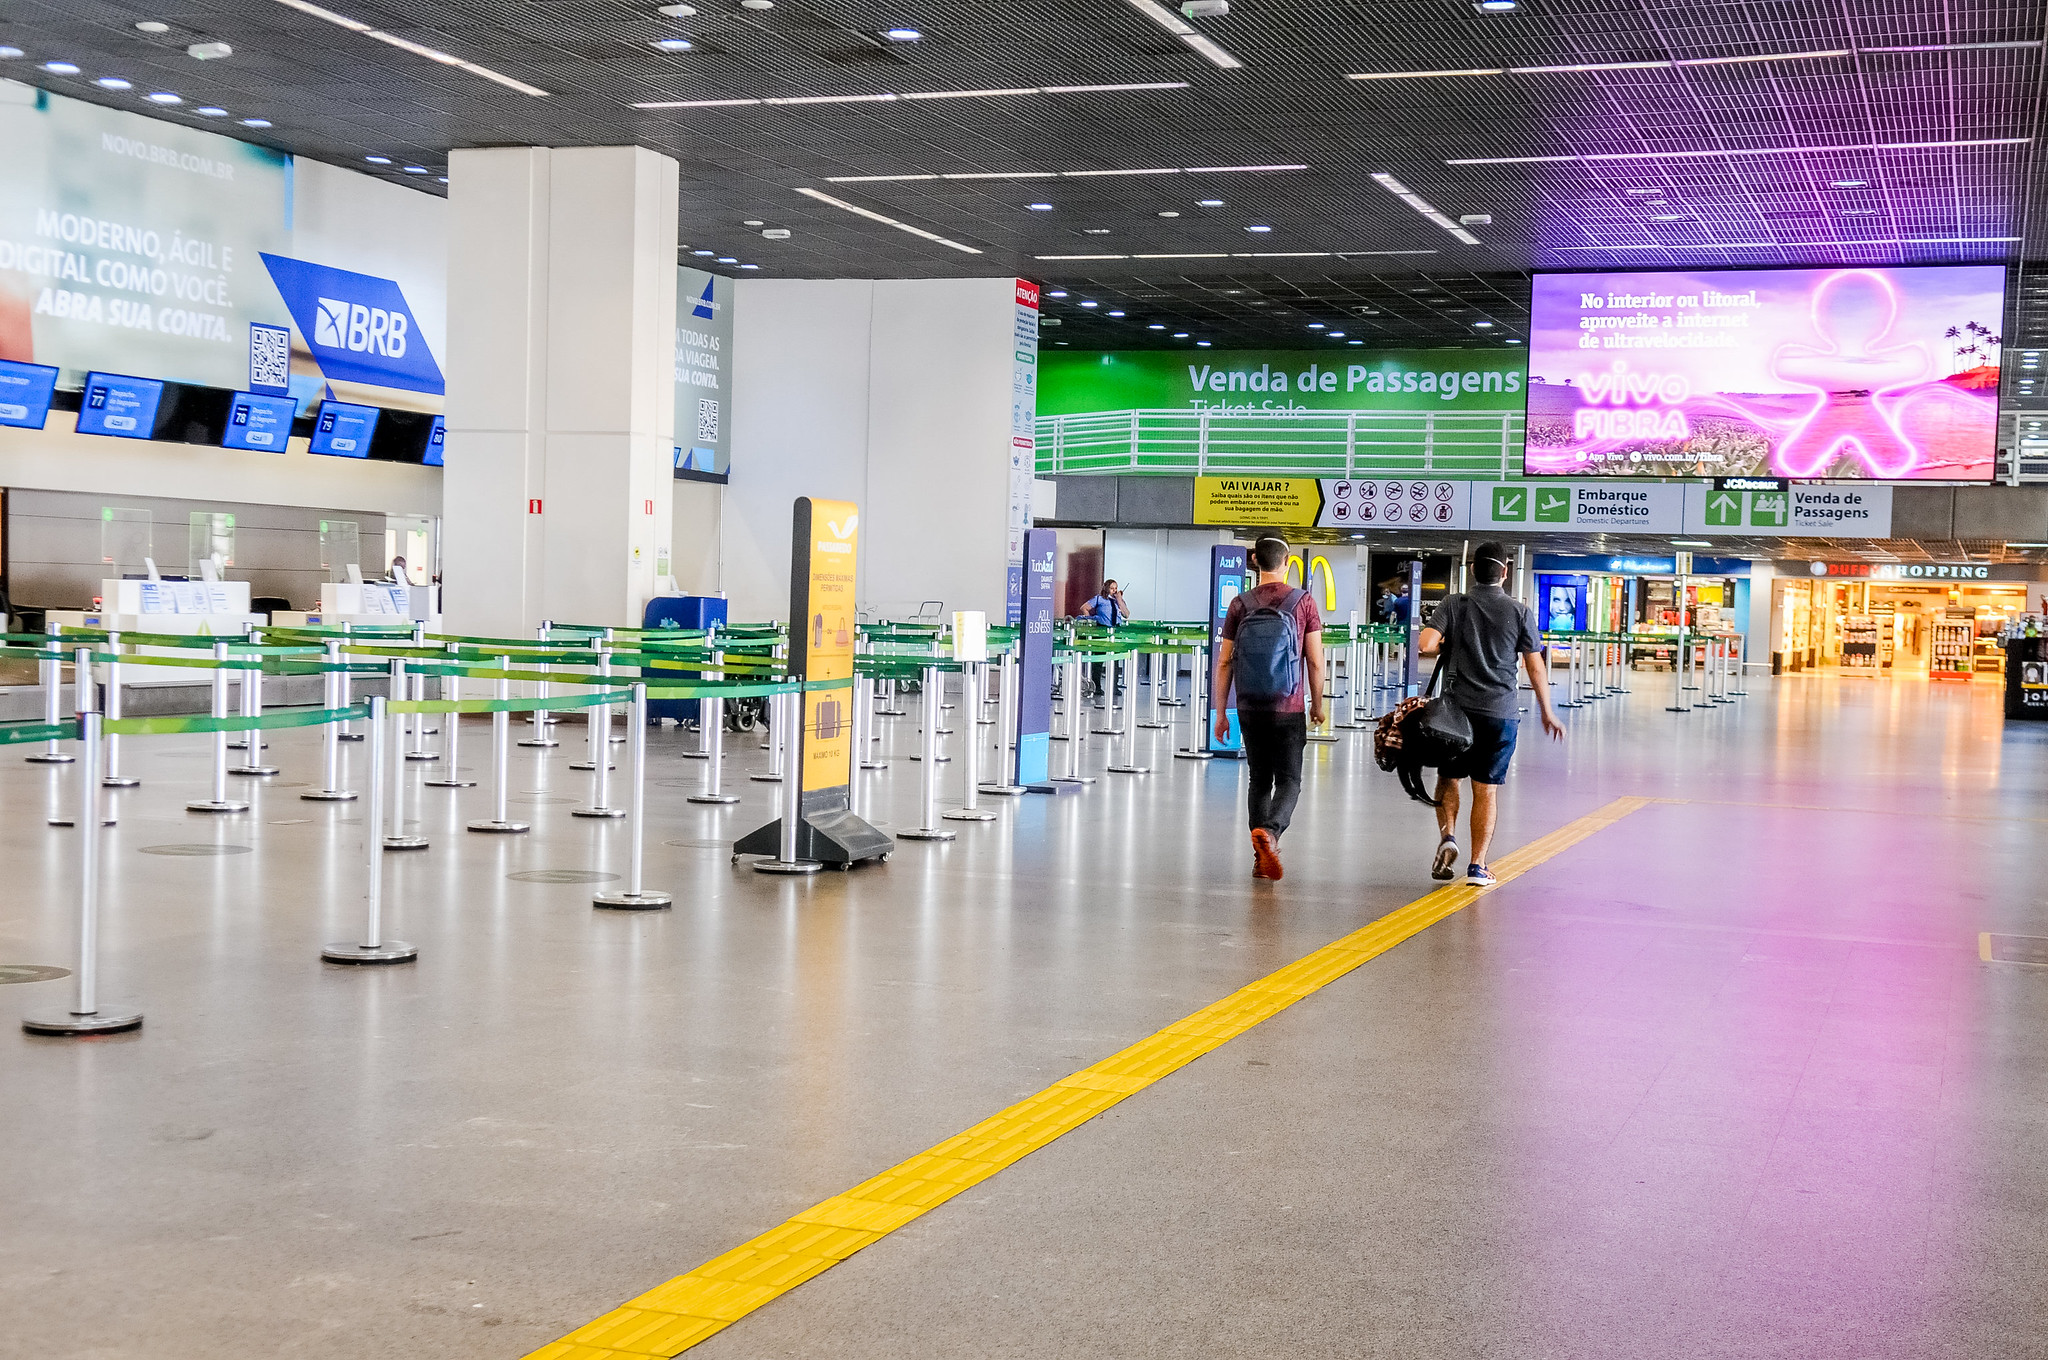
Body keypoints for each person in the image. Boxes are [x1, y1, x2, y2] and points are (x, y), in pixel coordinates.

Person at [1416, 541, 1565, 887]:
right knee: (1486, 791)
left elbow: (1424, 644)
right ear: (1505, 571)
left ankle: (1448, 836)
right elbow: (1535, 666)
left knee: (1449, 778)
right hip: (1500, 713)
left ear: (1472, 571)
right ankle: (1478, 866)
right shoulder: (1519, 611)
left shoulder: (1454, 603)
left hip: (1455, 714)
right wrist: (1547, 711)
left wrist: (1445, 642)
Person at [1213, 537, 1325, 881]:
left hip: (1249, 704)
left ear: (1253, 560)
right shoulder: (1302, 602)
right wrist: (1317, 705)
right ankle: (1271, 834)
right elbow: (1316, 662)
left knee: (1259, 779)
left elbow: (1224, 663)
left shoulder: (1239, 604)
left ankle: (1259, 856)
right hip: (1288, 706)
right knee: (1289, 779)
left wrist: (1221, 713)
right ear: (1287, 560)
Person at [1077, 580, 1127, 702]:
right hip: (1102, 630)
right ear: (1106, 589)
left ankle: (1114, 687)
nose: (1114, 590)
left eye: (1116, 588)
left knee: (1115, 661)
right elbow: (1084, 607)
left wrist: (1119, 600)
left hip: (1115, 631)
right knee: (1098, 660)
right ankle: (1097, 686)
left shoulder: (1118, 602)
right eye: (1112, 588)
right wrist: (1090, 620)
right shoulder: (1099, 599)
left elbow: (1126, 614)